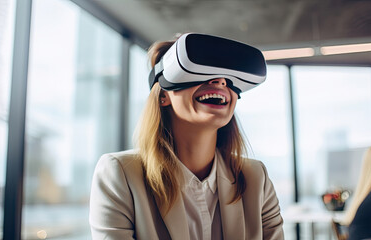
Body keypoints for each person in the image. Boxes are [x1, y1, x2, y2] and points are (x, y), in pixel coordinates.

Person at [89, 33, 284, 240]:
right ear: (163, 95)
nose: (220, 81)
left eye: (227, 78)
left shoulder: (256, 178)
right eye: (200, 72)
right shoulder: (120, 175)